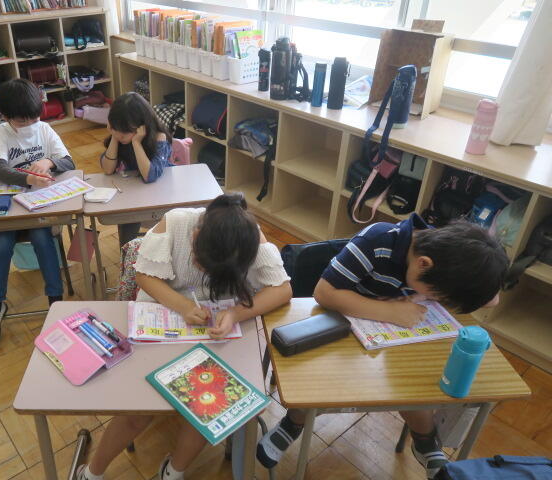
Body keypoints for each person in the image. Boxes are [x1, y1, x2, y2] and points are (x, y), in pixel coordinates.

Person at [256, 214, 509, 479]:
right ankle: (293, 422)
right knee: (326, 381)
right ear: (423, 264)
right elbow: (324, 293)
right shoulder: (378, 241)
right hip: (343, 321)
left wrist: (485, 274)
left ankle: (425, 441)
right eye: (434, 294)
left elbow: (492, 300)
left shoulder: (449, 254)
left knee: (412, 385)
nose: (433, 298)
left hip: (393, 335)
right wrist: (389, 312)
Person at [75, 193, 293, 480]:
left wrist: (235, 314)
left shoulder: (248, 238)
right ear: (195, 236)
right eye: (201, 263)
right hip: (162, 319)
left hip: (214, 335)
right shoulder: (176, 222)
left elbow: (282, 290)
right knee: (138, 409)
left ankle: (173, 471)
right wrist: (184, 306)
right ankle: (92, 474)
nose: (203, 273)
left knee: (207, 406)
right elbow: (144, 276)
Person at [0, 78, 76, 345]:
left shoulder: (44, 129)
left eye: (33, 118)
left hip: (38, 206)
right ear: (6, 116)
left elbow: (68, 162)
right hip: (11, 206)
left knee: (42, 240)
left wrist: (48, 162)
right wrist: (28, 178)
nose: (29, 125)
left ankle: (55, 300)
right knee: (0, 246)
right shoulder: (1, 132)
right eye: (22, 121)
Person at [100, 92, 174, 247]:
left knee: (162, 236)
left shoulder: (159, 137)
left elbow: (150, 176)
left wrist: (136, 143)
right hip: (133, 196)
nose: (120, 135)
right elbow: (108, 169)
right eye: (116, 128)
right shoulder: (119, 137)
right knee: (127, 220)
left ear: (142, 126)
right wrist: (114, 136)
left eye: (125, 131)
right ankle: (127, 255)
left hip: (161, 197)